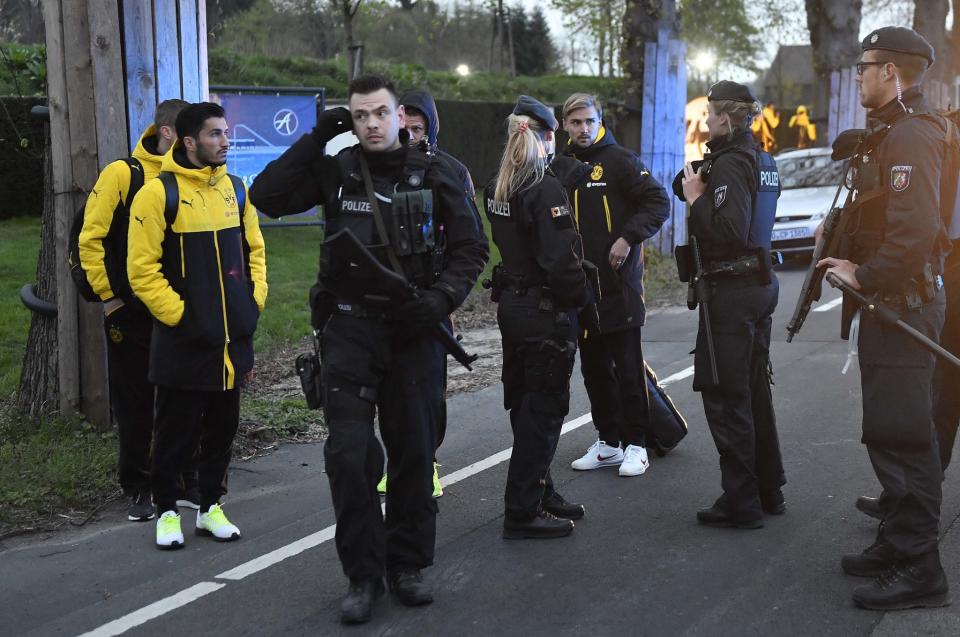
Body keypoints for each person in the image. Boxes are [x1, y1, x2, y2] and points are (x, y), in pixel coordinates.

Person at [250, 75, 487, 625]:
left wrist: (442, 298)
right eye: (360, 116)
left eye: (381, 113)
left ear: (400, 115)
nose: (372, 124)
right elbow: (266, 197)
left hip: (414, 333)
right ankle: (362, 575)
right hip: (350, 332)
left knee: (412, 453)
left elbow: (472, 247)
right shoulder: (336, 171)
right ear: (350, 120)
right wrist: (314, 139)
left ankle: (408, 566)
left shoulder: (437, 172)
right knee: (348, 457)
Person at [817, 27, 951, 611]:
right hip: (891, 307)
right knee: (887, 431)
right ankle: (896, 542)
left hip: (903, 304)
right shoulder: (894, 132)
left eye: (865, 66)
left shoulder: (915, 136)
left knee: (905, 438)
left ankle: (921, 567)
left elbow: (915, 233)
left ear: (891, 73)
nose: (858, 75)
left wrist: (863, 276)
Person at [128, 102, 267, 551]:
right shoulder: (156, 194)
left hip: (232, 341)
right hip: (183, 341)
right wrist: (182, 318)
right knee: (175, 431)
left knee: (223, 429)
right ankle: (167, 510)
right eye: (215, 135)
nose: (225, 141)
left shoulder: (237, 190)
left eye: (226, 133)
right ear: (189, 142)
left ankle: (210, 508)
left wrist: (252, 306)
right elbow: (142, 271)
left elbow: (256, 256)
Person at [77, 99, 200, 522]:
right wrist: (109, 297)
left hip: (178, 307)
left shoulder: (193, 178)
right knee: (135, 399)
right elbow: (90, 237)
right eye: (188, 133)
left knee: (184, 394)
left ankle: (182, 478)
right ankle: (139, 484)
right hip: (130, 310)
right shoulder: (122, 174)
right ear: (168, 133)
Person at [673, 80, 785, 530]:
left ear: (724, 116)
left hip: (733, 290)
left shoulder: (733, 163)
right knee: (754, 388)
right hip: (758, 284)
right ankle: (768, 488)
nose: (704, 121)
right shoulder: (761, 159)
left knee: (725, 393)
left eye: (708, 114)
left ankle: (742, 502)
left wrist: (699, 198)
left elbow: (729, 230)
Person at [484, 95, 591, 540]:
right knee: (544, 408)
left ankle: (541, 490)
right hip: (543, 310)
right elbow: (561, 261)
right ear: (549, 136)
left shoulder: (500, 185)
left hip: (513, 305)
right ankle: (522, 509)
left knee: (525, 400)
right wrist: (581, 301)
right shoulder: (543, 189)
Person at [372, 89, 482, 499]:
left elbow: (468, 243)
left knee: (428, 391)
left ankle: (428, 461)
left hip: (432, 300)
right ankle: (395, 460)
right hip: (384, 306)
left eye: (419, 128)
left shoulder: (450, 171)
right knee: (389, 391)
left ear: (431, 129)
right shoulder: (378, 171)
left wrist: (447, 297)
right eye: (406, 127)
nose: (411, 135)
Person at [561, 92, 670, 478]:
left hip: (619, 288)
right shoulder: (561, 165)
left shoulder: (620, 161)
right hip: (580, 291)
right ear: (565, 126)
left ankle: (637, 444)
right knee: (593, 371)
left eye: (589, 121)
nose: (584, 129)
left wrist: (627, 238)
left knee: (627, 369)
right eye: (576, 123)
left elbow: (658, 202)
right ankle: (608, 442)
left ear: (599, 120)